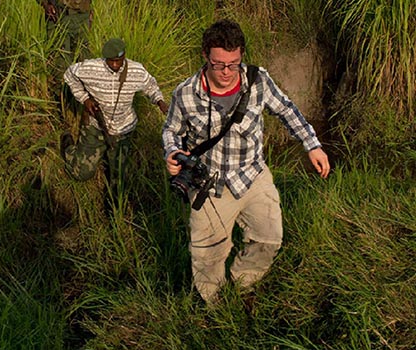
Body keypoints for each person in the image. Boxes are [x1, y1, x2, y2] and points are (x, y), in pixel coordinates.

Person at [162, 19, 330, 304]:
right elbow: (171, 130)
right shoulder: (186, 93)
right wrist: (172, 152)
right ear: (205, 56)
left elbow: (287, 111)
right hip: (209, 186)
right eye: (218, 64)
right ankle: (215, 305)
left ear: (241, 56)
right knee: (207, 254)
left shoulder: (258, 80)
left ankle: (241, 287)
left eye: (233, 63)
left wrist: (312, 145)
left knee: (269, 239)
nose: (227, 72)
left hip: (252, 176)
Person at [61, 38, 169, 202]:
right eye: (111, 61)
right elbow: (69, 75)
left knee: (118, 179)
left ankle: (113, 211)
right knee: (80, 173)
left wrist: (159, 101)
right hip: (95, 127)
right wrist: (84, 99)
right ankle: (68, 145)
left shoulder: (136, 71)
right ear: (105, 58)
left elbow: (151, 86)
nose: (115, 65)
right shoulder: (90, 68)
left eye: (118, 61)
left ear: (124, 56)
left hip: (123, 130)